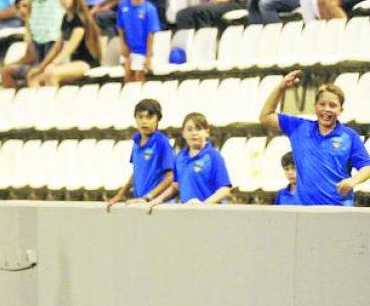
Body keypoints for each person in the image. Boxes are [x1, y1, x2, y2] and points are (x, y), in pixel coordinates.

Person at [258, 71, 370, 205]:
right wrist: (281, 88)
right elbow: (266, 117)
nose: (327, 109)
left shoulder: (349, 136)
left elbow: (366, 167)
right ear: (315, 106)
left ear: (341, 110)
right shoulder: (298, 127)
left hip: (338, 210)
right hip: (305, 211)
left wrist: (352, 181)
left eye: (333, 105)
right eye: (322, 104)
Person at [146, 113, 233, 212]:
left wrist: (204, 205)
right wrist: (158, 199)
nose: (194, 133)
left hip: (210, 215)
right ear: (183, 133)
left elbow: (225, 190)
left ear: (207, 132)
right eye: (189, 129)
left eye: (198, 129)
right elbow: (176, 186)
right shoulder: (180, 157)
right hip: (188, 214)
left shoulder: (213, 156)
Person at [106, 99, 174, 211]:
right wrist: (120, 194)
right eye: (140, 117)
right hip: (141, 202)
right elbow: (136, 172)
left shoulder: (161, 142)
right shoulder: (136, 142)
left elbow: (170, 176)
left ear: (158, 119)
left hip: (158, 205)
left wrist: (149, 197)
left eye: (149, 117)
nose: (144, 121)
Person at [28, 0, 102, 87]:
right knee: (34, 78)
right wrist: (41, 67)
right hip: (73, 62)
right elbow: (57, 47)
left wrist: (54, 63)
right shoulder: (65, 18)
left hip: (86, 62)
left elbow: (70, 47)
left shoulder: (80, 20)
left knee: (52, 74)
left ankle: (55, 102)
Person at [117, 0, 160, 83]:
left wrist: (148, 56)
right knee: (127, 78)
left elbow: (151, 33)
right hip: (129, 49)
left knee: (138, 79)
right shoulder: (123, 6)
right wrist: (123, 46)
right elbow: (121, 28)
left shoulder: (149, 9)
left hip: (142, 51)